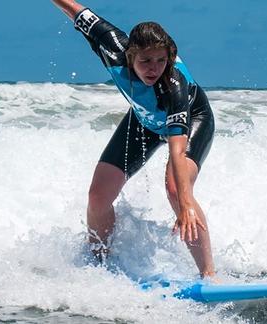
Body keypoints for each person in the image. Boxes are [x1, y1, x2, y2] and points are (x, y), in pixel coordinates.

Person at [51, 0, 217, 279]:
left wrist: (186, 204)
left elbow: (177, 150)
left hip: (192, 118)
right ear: (130, 56)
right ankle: (98, 265)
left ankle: (209, 275)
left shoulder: (174, 87)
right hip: (143, 119)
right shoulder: (112, 46)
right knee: (98, 195)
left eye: (161, 60)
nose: (154, 69)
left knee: (177, 190)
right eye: (145, 61)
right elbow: (75, 10)